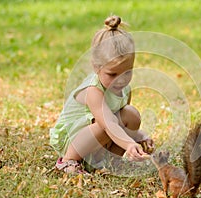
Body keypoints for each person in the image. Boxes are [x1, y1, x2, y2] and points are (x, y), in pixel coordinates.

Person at [50, 15, 154, 173]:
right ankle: (68, 161)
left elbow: (122, 121)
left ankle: (111, 161)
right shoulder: (94, 90)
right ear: (96, 67)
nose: (120, 80)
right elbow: (109, 124)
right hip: (74, 140)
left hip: (100, 140)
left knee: (131, 114)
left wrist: (140, 136)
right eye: (112, 74)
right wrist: (128, 144)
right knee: (105, 123)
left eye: (127, 73)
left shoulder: (125, 89)